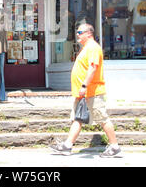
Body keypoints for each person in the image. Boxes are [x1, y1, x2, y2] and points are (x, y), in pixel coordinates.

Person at [50, 23, 122, 157]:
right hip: (83, 93)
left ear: (89, 33)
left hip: (92, 91)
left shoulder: (93, 48)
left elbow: (93, 68)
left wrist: (84, 86)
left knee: (103, 119)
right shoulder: (86, 48)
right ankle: (67, 146)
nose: (77, 35)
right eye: (77, 32)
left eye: (80, 32)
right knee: (77, 119)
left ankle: (114, 147)